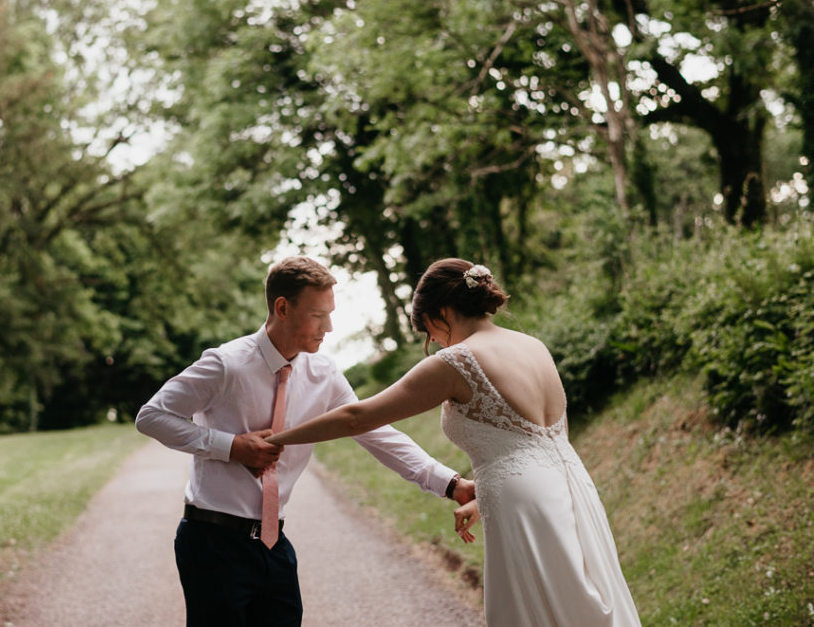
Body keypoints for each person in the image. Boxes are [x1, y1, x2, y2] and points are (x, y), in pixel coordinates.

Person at [268, 258, 642, 627]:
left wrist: (279, 439)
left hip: (520, 503)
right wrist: (488, 496)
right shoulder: (534, 347)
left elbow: (358, 416)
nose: (432, 340)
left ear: (443, 310)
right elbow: (534, 445)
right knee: (578, 600)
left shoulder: (457, 361)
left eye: (428, 328)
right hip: (574, 487)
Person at [135, 256, 475, 627]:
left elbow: (375, 431)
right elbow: (151, 417)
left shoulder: (323, 373)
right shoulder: (225, 365)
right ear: (282, 307)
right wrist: (230, 446)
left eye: (329, 314)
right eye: (318, 315)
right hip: (212, 542)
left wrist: (450, 484)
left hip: (273, 545)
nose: (328, 327)